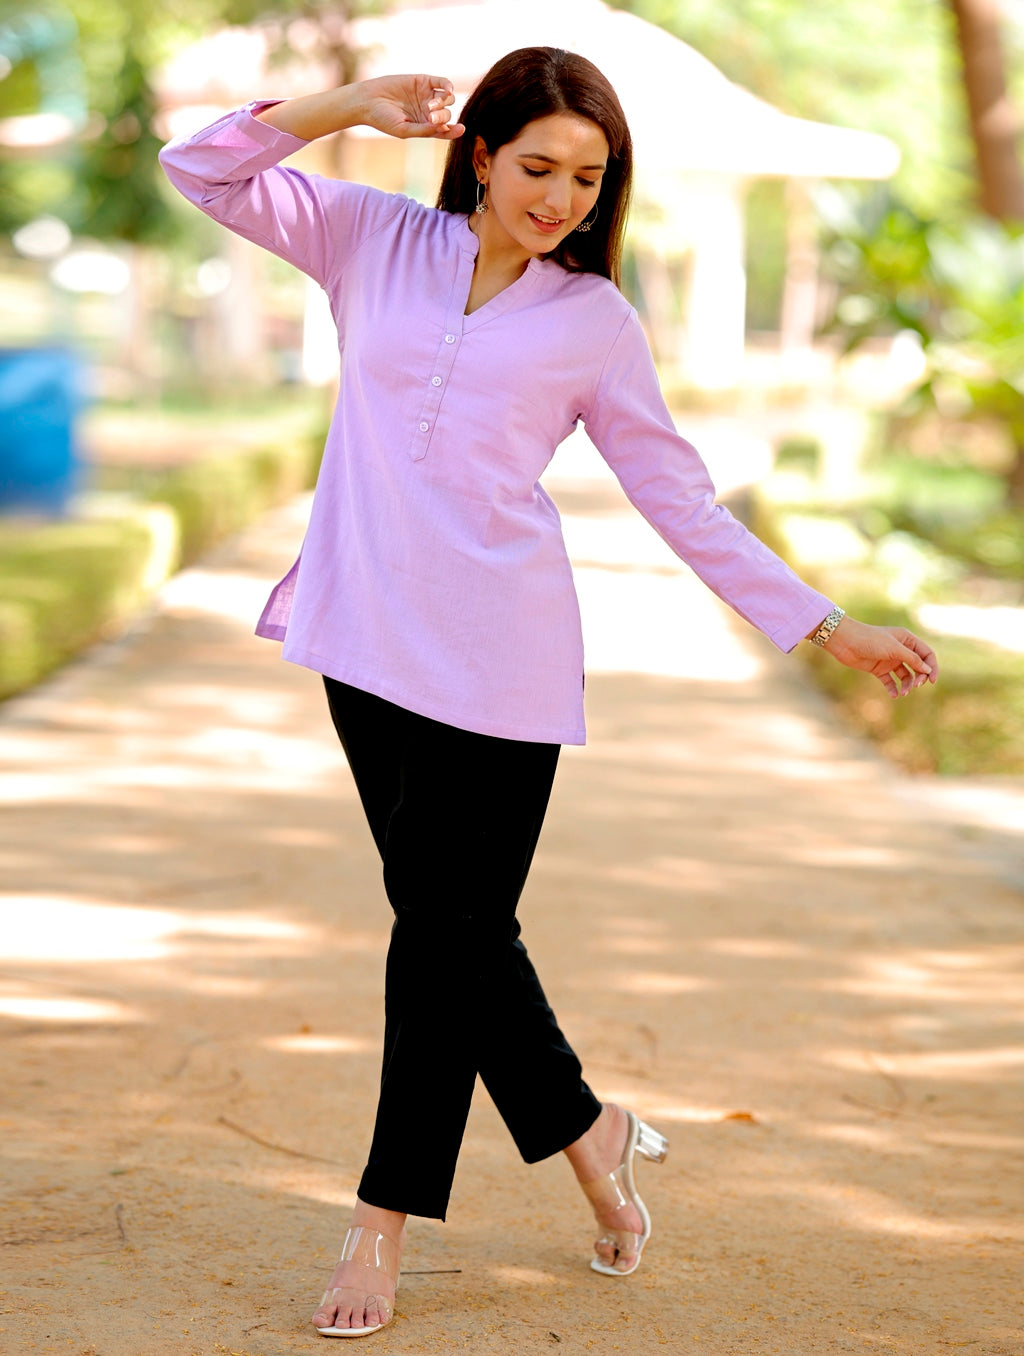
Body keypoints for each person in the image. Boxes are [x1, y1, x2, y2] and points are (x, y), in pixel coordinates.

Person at [159, 46, 938, 1340]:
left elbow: (678, 496)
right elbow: (204, 168)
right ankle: (594, 1133)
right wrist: (349, 108)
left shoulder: (594, 324)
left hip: (503, 669)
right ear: (479, 151)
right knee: (462, 933)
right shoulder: (369, 238)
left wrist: (824, 625)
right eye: (538, 166)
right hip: (365, 641)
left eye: (589, 176)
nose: (563, 196)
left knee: (436, 943)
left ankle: (380, 1220)